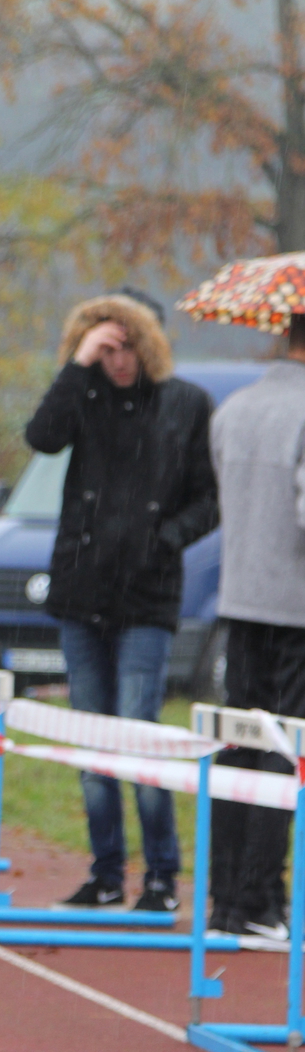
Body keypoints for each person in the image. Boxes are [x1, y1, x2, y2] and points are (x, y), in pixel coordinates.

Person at [25, 290, 217, 912]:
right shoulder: (83, 395)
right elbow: (41, 437)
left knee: (139, 733)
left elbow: (209, 499)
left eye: (128, 344)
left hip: (147, 597)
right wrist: (78, 364)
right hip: (81, 591)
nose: (119, 358)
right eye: (107, 347)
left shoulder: (187, 403)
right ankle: (106, 873)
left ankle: (161, 877)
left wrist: (166, 538)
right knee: (91, 740)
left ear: (150, 344)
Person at [208, 316, 305, 940]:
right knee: (284, 749)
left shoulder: (234, 409)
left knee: (238, 743)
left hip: (240, 598)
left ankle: (226, 898)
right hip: (296, 609)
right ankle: (260, 900)